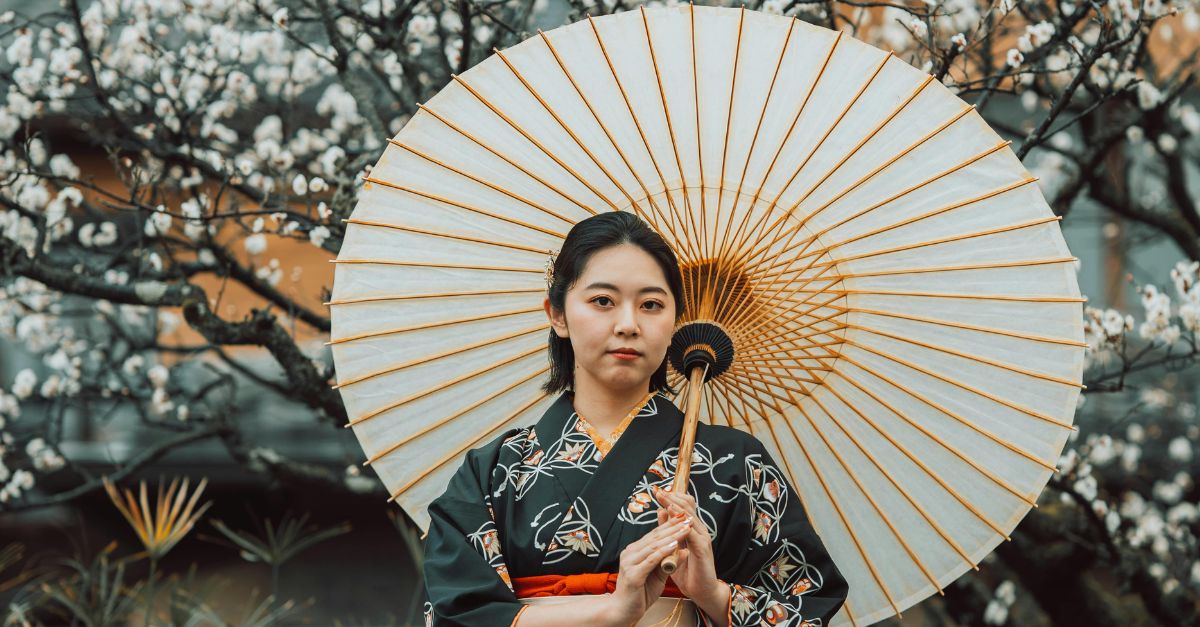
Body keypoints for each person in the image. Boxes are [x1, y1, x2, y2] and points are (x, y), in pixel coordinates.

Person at [422, 211, 848, 626]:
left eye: (651, 304)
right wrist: (612, 612)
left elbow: (806, 603)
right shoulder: (492, 471)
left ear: (674, 319)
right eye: (602, 301)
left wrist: (711, 593)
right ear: (557, 315)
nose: (628, 324)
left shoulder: (736, 463)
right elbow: (454, 614)